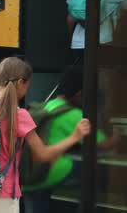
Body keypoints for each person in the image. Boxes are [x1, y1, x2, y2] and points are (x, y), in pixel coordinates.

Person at [0, 57, 91, 213]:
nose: (27, 89)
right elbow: (42, 155)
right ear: (20, 82)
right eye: (28, 84)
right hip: (4, 194)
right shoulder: (20, 115)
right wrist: (74, 137)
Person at [23, 65, 116, 213]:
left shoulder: (47, 106)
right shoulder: (73, 114)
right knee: (96, 168)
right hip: (49, 172)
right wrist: (118, 136)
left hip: (28, 173)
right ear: (80, 94)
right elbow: (104, 144)